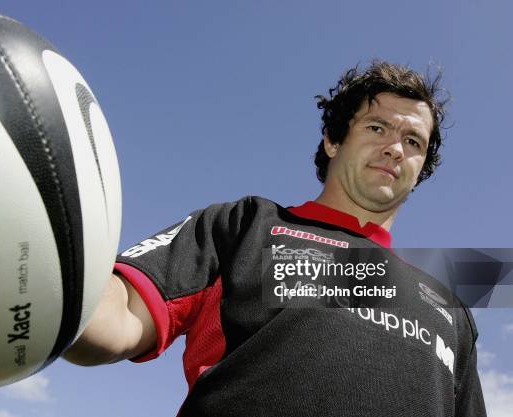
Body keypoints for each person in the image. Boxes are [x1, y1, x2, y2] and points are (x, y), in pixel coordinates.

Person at [63, 60, 486, 417]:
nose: (395, 148)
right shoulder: (245, 225)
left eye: (413, 141)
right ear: (333, 140)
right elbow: (109, 320)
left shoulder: (448, 306)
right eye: (377, 128)